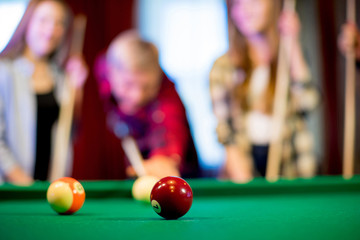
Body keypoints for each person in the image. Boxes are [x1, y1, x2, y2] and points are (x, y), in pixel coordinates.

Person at [210, 0, 319, 182]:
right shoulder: (223, 66)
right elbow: (224, 128)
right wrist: (235, 160)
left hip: (292, 164)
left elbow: (308, 103)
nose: (245, 10)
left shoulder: (289, 58)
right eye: (238, 4)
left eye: (254, 2)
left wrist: (293, 45)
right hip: (244, 161)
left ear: (273, 5)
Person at [0, 0, 88, 185]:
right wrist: (22, 181)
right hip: (11, 191)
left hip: (50, 187)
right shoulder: (4, 73)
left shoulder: (61, 77)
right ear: (27, 23)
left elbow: (70, 131)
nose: (51, 30)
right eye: (43, 20)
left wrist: (77, 89)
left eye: (59, 23)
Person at [94, 30, 199, 179]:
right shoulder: (104, 68)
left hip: (180, 180)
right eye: (129, 84)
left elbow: (170, 126)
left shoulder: (167, 97)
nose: (138, 96)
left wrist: (164, 159)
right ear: (111, 72)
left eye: (147, 87)